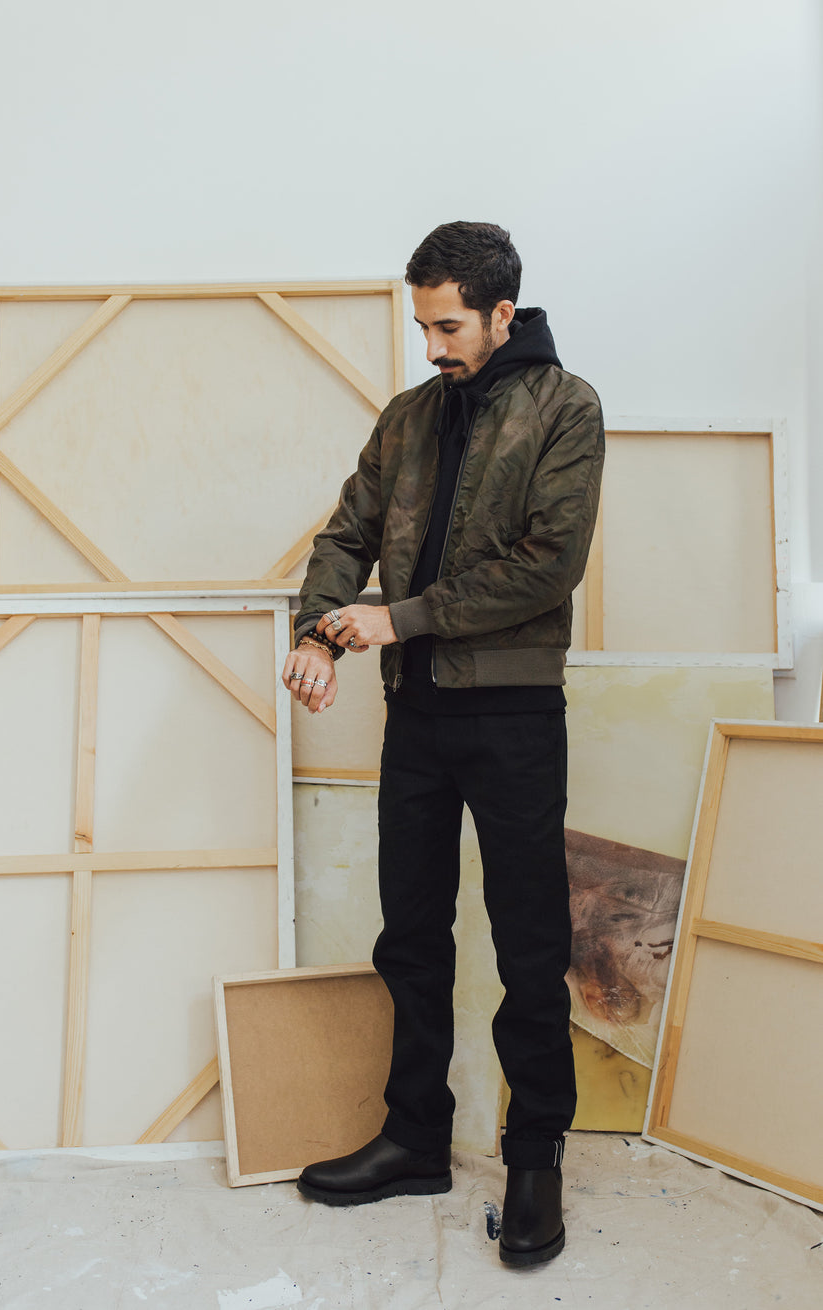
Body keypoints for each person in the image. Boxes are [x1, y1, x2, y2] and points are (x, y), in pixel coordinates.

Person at [281, 221, 604, 1267]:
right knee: (410, 937)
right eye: (422, 324)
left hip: (513, 719)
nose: (431, 344)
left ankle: (536, 1156)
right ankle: (416, 1138)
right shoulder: (409, 417)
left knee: (529, 949)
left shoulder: (569, 410)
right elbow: (347, 532)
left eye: (449, 324)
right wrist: (319, 629)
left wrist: (397, 617)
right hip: (415, 716)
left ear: (504, 313)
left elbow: (544, 567)